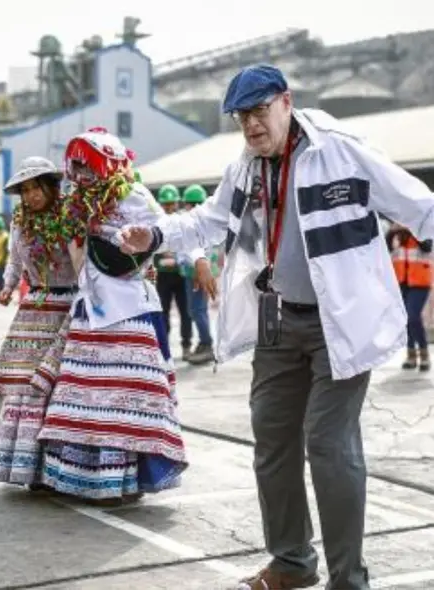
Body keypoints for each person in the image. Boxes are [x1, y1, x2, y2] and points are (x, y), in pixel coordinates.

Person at [118, 64, 434, 590]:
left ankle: (349, 579)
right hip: (278, 322)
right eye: (242, 117)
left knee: (329, 445)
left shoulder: (341, 151)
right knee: (271, 440)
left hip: (340, 326)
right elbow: (208, 222)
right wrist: (151, 234)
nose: (251, 126)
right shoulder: (245, 167)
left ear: (286, 102)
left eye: (259, 111)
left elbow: (420, 206)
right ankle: (292, 563)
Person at [27, 129, 198, 505]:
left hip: (130, 310)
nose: (81, 173)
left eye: (87, 165)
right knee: (83, 397)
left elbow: (170, 231)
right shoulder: (75, 203)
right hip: (89, 310)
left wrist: (198, 261)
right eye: (76, 166)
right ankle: (80, 479)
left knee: (125, 400)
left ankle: (124, 481)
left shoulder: (135, 195)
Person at [0, 156, 78, 488]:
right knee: (21, 385)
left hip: (67, 306)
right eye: (25, 190)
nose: (31, 196)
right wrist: (8, 286)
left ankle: (57, 468)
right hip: (33, 308)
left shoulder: (70, 215)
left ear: (51, 186)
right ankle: (28, 468)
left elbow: (82, 261)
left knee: (54, 386)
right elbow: (14, 259)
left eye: (35, 187)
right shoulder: (20, 221)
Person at [153, 184, 194, 360]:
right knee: (163, 312)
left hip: (181, 275)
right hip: (162, 276)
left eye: (172, 204)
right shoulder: (155, 222)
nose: (169, 207)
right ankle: (163, 348)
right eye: (165, 204)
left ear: (177, 203)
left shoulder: (184, 222)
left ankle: (186, 345)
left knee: (186, 312)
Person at [179, 184, 217, 365]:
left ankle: (206, 344)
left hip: (197, 274)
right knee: (195, 310)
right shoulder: (199, 222)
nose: (191, 207)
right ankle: (205, 343)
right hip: (192, 272)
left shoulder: (198, 224)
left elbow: (201, 252)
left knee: (198, 310)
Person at [387, 222, 432, 370]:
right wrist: (393, 230)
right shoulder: (395, 237)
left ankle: (424, 355)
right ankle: (411, 356)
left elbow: (427, 247)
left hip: (420, 283)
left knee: (413, 316)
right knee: (405, 319)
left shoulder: (421, 234)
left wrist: (412, 229)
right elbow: (386, 248)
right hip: (401, 283)